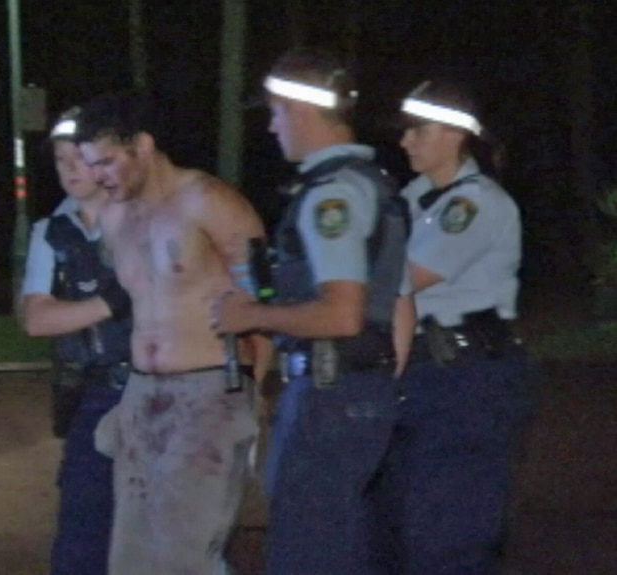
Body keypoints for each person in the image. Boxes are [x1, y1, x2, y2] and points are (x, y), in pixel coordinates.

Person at [211, 48, 416, 575]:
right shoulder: (369, 183)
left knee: (308, 548)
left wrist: (251, 316)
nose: (274, 128)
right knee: (343, 542)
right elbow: (394, 304)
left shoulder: (334, 196)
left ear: (301, 112)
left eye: (277, 113)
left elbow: (343, 315)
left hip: (331, 395)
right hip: (353, 391)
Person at [72, 90, 273, 575]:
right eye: (90, 166)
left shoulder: (212, 202)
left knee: (185, 556)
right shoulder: (114, 217)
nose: (97, 176)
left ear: (142, 146)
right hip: (142, 398)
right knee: (131, 558)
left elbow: (265, 302)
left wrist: (253, 393)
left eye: (106, 162)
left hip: (208, 395)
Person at [382, 78, 530, 574]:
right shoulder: (415, 198)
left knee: (452, 531)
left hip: (466, 378)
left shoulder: (476, 204)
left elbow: (404, 277)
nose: (405, 142)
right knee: (403, 524)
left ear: (452, 134)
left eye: (417, 131)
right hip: (424, 374)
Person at [20, 107, 132, 575]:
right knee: (82, 537)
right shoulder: (51, 233)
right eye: (60, 159)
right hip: (94, 393)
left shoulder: (144, 217)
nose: (68, 169)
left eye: (78, 158)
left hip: (161, 390)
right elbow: (35, 318)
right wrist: (112, 303)